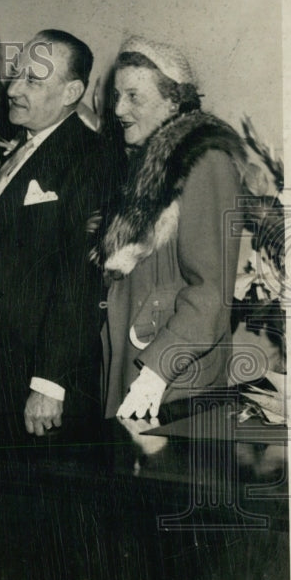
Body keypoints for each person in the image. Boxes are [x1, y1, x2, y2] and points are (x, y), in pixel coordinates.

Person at [0, 30, 121, 444]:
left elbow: (82, 276)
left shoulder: (92, 158)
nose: (14, 89)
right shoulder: (22, 150)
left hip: (41, 388)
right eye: (16, 75)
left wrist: (48, 383)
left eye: (34, 81)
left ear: (71, 92)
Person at [97, 36, 247, 419]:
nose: (118, 109)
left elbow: (211, 289)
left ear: (174, 100)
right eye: (116, 95)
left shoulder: (204, 160)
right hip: (138, 362)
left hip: (173, 378)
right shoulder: (145, 162)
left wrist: (157, 370)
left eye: (134, 96)